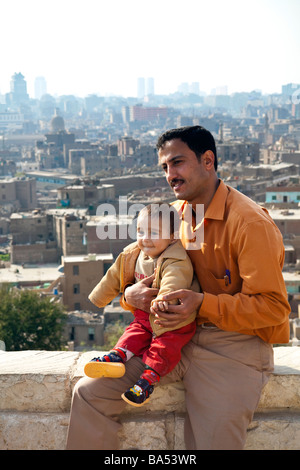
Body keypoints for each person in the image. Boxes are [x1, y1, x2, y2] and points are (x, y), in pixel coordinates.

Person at [66, 125, 290, 450]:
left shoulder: (249, 223)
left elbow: (273, 307)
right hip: (168, 337)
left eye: (178, 162)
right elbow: (135, 266)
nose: (170, 174)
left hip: (233, 348)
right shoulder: (170, 217)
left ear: (208, 160)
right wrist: (130, 295)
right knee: (90, 392)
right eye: (165, 167)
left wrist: (200, 303)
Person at [84, 203, 198, 407]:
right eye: (140, 231)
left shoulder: (176, 258)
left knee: (164, 347)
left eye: (153, 233)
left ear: (172, 236)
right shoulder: (132, 253)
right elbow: (114, 275)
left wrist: (163, 301)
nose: (145, 238)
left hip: (172, 320)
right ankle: (119, 354)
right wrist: (98, 298)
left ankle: (148, 379)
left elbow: (175, 280)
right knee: (135, 332)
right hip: (145, 315)